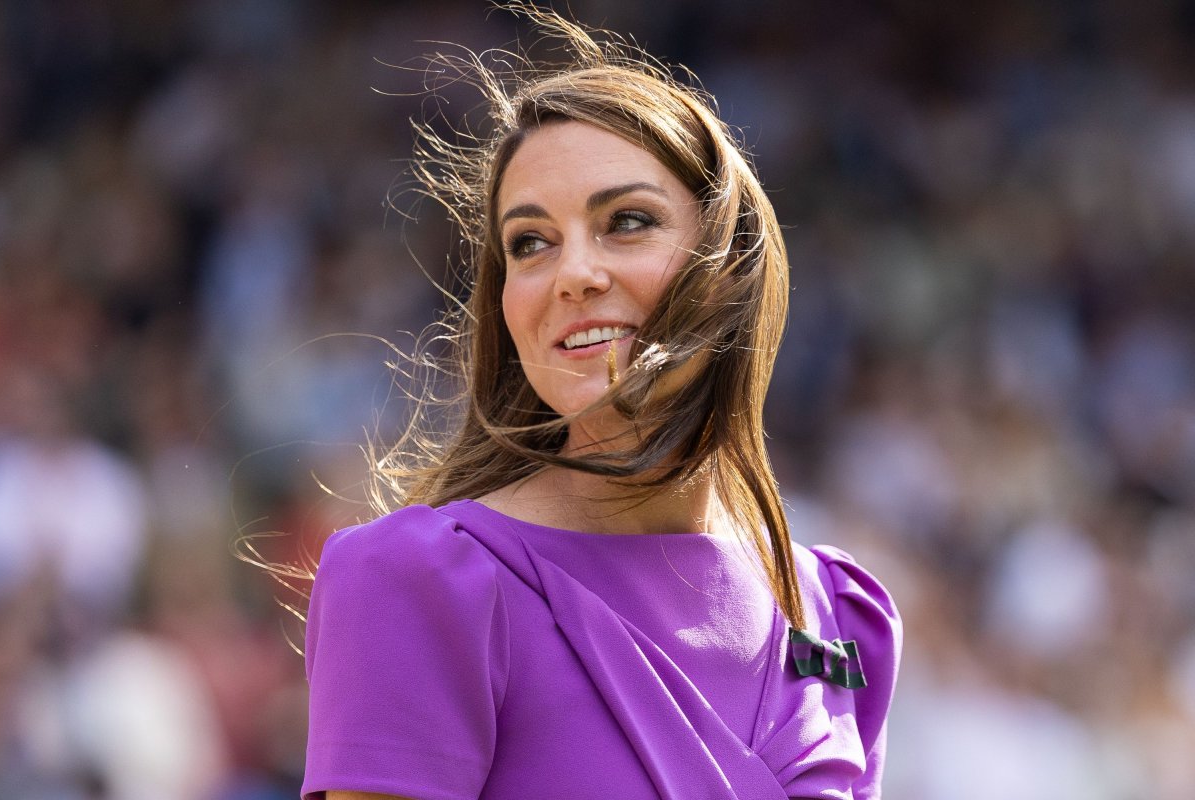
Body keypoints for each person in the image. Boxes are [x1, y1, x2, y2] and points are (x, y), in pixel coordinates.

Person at [300, 6, 901, 799]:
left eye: (627, 223)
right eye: (530, 243)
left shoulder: (836, 614)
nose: (573, 273)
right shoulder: (417, 581)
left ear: (728, 267)